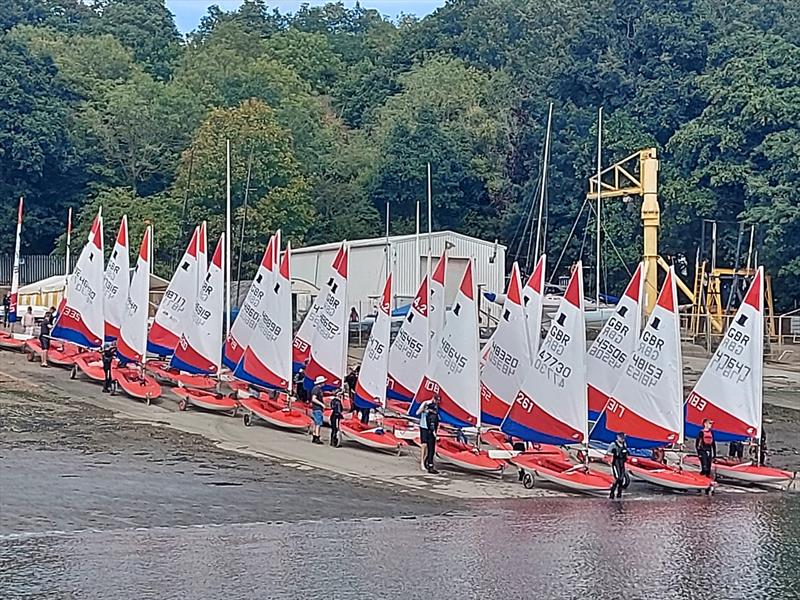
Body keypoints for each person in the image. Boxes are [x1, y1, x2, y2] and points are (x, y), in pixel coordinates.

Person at [416, 395, 440, 474]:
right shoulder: (425, 403)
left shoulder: (435, 406)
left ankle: (427, 461)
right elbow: (417, 412)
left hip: (429, 428)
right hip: (423, 426)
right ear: (433, 398)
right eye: (436, 400)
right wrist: (424, 409)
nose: (437, 402)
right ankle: (422, 463)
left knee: (430, 447)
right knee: (424, 445)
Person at [606, 431, 629, 499]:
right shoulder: (613, 444)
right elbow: (608, 453)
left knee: (621, 479)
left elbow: (626, 453)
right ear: (618, 437)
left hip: (622, 463)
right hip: (616, 463)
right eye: (621, 437)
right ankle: (612, 494)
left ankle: (619, 494)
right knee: (617, 478)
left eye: (623, 438)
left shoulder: (624, 444)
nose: (622, 439)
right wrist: (613, 454)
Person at [310, 375, 326, 445]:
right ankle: (317, 436)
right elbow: (314, 399)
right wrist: (321, 404)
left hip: (317, 408)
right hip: (317, 408)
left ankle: (314, 435)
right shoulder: (316, 389)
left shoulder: (317, 389)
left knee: (316, 422)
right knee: (318, 423)